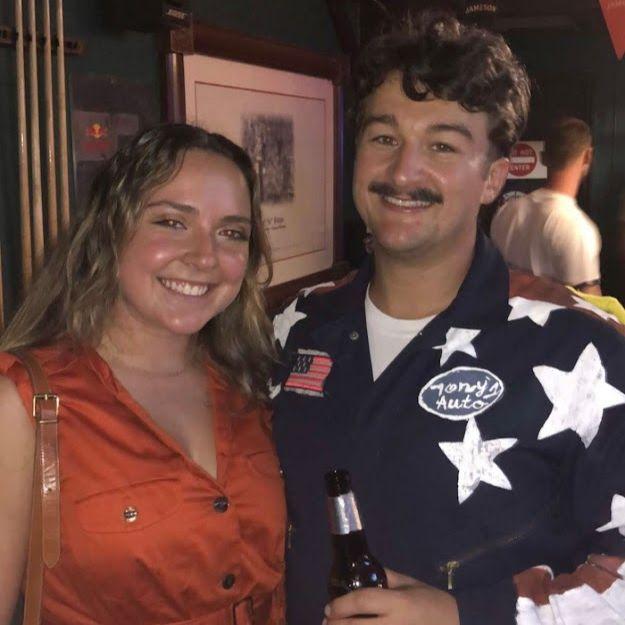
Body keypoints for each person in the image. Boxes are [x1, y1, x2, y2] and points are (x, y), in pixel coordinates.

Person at [270, 13, 625, 625]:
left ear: (492, 178)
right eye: (384, 137)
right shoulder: (294, 326)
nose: (403, 171)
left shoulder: (583, 348)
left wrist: (467, 614)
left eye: (442, 145)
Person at [0, 124, 286, 625]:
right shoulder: (24, 404)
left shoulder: (249, 385)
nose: (205, 257)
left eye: (231, 233)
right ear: (111, 232)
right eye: (172, 222)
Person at [491, 117, 602, 294]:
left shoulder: (505, 212)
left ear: (543, 157)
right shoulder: (577, 229)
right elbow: (591, 303)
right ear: (588, 156)